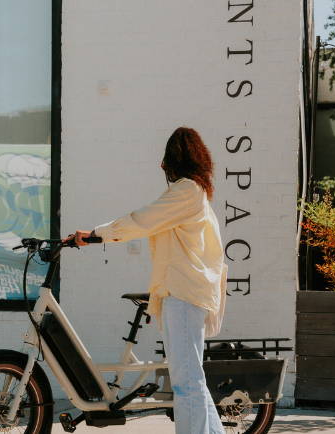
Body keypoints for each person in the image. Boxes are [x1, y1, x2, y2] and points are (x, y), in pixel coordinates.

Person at [67, 126, 228, 434]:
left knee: (186, 382)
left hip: (183, 294)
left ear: (171, 162)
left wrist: (95, 235)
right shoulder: (194, 192)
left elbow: (142, 220)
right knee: (192, 378)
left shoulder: (187, 191)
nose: (162, 167)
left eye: (165, 161)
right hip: (184, 293)